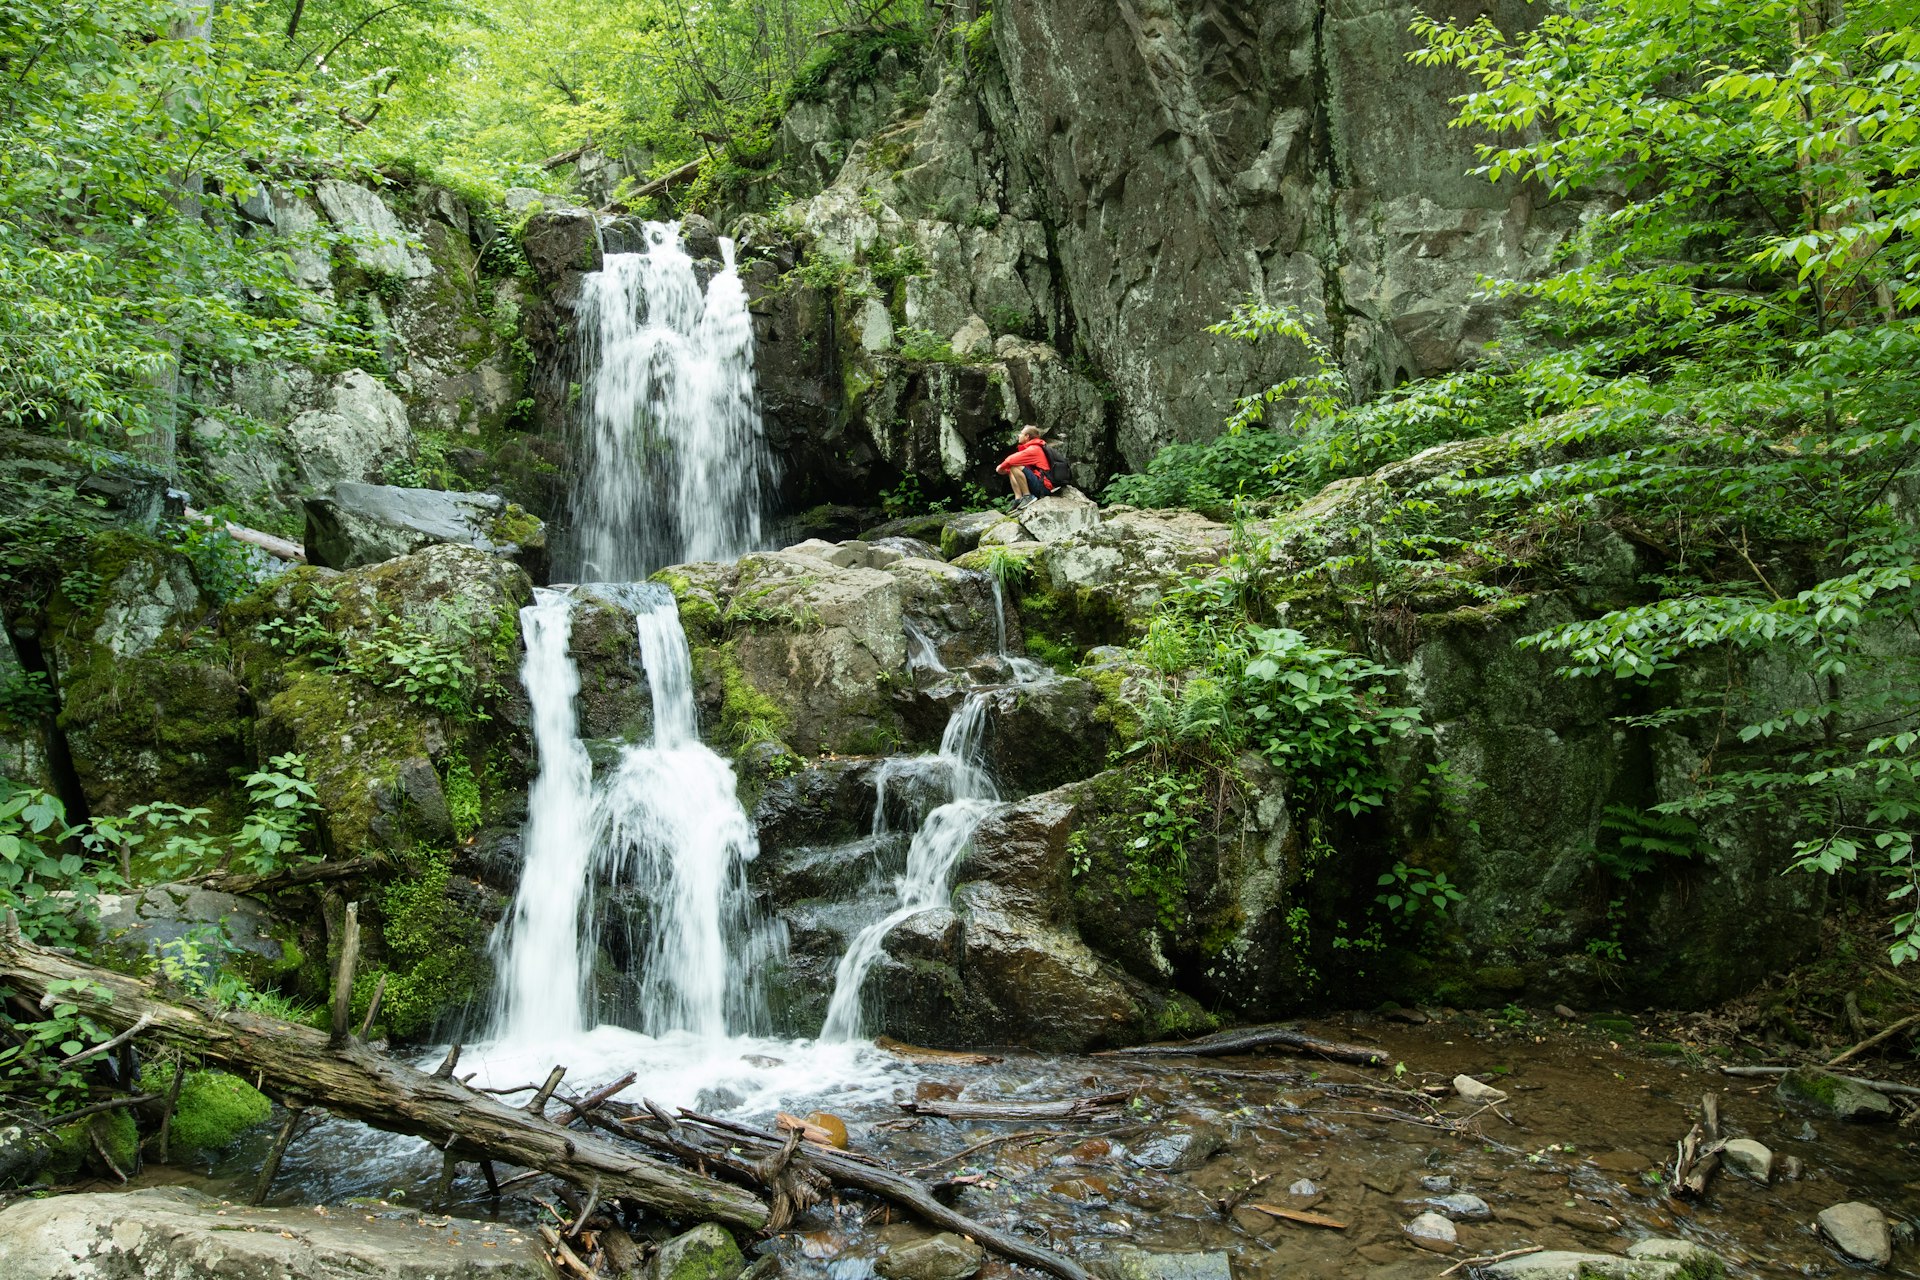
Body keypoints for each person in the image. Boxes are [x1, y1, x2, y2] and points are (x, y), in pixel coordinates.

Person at [996, 425, 1055, 510]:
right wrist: (1005, 469)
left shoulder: (1034, 449)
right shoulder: (1032, 448)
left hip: (1044, 488)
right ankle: (1018, 499)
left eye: (1021, 433)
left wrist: (1000, 467)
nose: (1018, 435)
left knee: (1014, 466)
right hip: (1040, 484)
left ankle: (1027, 496)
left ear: (1027, 436)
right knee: (1010, 469)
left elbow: (1010, 460)